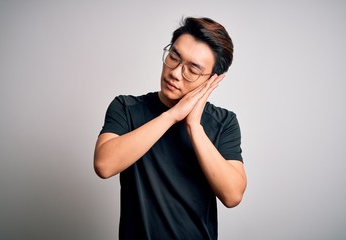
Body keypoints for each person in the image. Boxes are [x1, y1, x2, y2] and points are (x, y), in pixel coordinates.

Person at [94, 17, 247, 240]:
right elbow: (104, 165)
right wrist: (172, 116)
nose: (175, 73)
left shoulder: (223, 122)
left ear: (212, 80)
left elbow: (232, 195)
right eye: (173, 57)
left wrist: (194, 126)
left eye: (192, 69)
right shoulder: (126, 108)